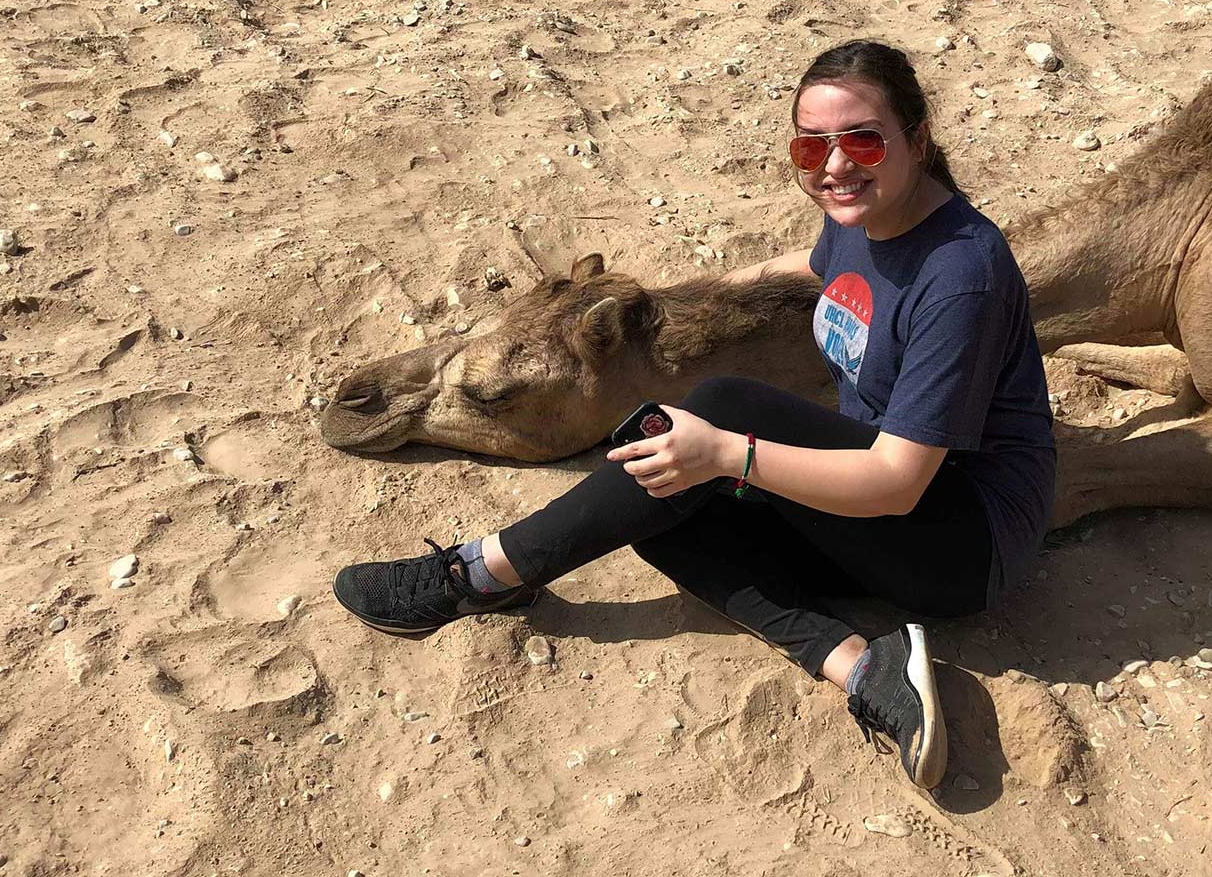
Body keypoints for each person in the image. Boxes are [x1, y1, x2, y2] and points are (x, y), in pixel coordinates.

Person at [333, 39, 1056, 789]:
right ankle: (865, 668)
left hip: (963, 542)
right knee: (653, 486)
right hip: (880, 512)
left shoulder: (960, 276)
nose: (835, 166)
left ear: (918, 138)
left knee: (713, 418)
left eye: (863, 140)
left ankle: (479, 574)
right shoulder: (860, 211)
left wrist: (728, 454)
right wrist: (683, 304)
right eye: (812, 147)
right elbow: (814, 268)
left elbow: (896, 481)